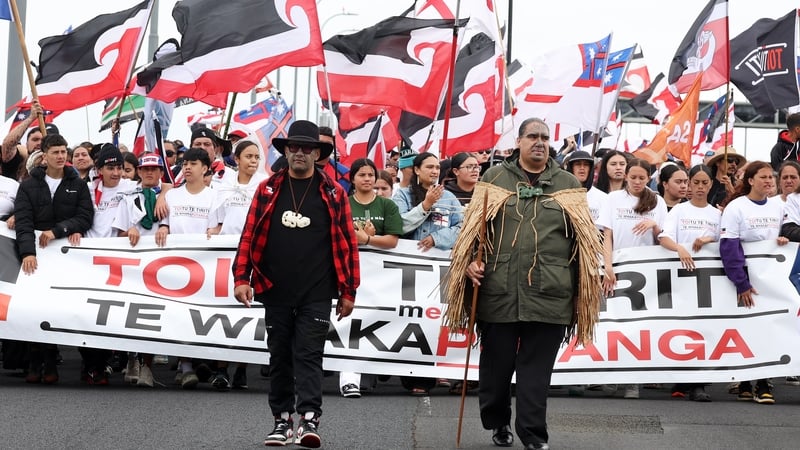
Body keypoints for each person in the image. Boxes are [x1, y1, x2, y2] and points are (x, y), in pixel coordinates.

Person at [452, 118, 601, 450]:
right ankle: (498, 421)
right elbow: (472, 234)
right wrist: (470, 264)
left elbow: (584, 245)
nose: (540, 142)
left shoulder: (567, 184)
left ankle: (534, 435)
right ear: (518, 141)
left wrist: (581, 292)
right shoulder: (494, 178)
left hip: (551, 292)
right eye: (532, 136)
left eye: (545, 138)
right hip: (498, 290)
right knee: (496, 368)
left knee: (535, 373)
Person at [232, 120, 359, 448]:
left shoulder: (334, 193)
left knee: (308, 353)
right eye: (294, 147)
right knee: (279, 355)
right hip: (274, 288)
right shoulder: (268, 189)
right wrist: (240, 278)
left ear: (318, 154)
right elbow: (249, 235)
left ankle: (309, 418)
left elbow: (347, 242)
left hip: (317, 289)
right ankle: (282, 420)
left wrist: (349, 290)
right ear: (286, 151)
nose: (300, 153)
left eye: (307, 148)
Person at [14, 133, 93, 384]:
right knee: (33, 308)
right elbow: (23, 222)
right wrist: (28, 252)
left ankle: (52, 360)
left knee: (57, 308)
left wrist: (58, 231)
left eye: (63, 152)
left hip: (65, 258)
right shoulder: (28, 185)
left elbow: (85, 217)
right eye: (55, 152)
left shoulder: (78, 184)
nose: (61, 157)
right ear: (44, 156)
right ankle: (35, 360)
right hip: (36, 257)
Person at [598, 158, 667, 400]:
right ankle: (612, 376)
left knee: (639, 328)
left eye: (642, 178)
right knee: (613, 324)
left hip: (644, 271)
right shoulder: (613, 199)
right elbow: (607, 234)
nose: (637, 182)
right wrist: (608, 267)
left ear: (649, 178)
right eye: (633, 177)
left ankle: (633, 381)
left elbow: (664, 238)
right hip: (616, 266)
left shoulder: (656, 201)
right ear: (626, 176)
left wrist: (654, 224)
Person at [721, 161, 786, 404]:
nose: (770, 181)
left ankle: (763, 382)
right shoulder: (736, 208)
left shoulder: (779, 207)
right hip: (746, 281)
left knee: (769, 329)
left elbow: (786, 236)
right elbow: (729, 247)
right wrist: (741, 282)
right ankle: (747, 381)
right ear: (750, 181)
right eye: (764, 177)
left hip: (773, 281)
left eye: (772, 177)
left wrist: (783, 239)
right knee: (747, 329)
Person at [207, 140, 267, 391]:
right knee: (224, 310)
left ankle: (242, 367)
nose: (253, 161)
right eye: (249, 156)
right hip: (226, 253)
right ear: (237, 159)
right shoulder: (223, 186)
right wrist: (211, 232)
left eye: (256, 157)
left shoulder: (264, 186)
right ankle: (221, 369)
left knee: (247, 311)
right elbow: (215, 219)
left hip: (253, 253)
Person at [339, 158, 401, 399]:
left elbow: (393, 240)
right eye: (361, 174)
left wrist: (367, 240)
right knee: (348, 322)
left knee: (375, 322)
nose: (367, 179)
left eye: (370, 175)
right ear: (352, 178)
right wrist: (354, 237)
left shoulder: (387, 206)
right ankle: (348, 378)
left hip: (380, 277)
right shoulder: (342, 204)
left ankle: (371, 372)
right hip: (347, 271)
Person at [658, 164, 720, 402]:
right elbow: (664, 237)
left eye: (705, 183)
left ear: (711, 185)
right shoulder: (679, 211)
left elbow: (725, 239)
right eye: (696, 183)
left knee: (703, 328)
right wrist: (680, 248)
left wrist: (708, 238)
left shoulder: (717, 215)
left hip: (708, 282)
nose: (700, 187)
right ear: (690, 184)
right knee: (682, 327)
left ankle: (698, 384)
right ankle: (682, 379)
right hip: (681, 278)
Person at [155, 147, 216, 389]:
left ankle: (193, 361)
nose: (187, 167)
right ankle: (186, 364)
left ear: (205, 168)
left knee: (200, 315)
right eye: (185, 163)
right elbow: (165, 224)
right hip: (176, 264)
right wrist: (163, 228)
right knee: (178, 313)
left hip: (205, 265)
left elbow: (215, 230)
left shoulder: (214, 196)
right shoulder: (172, 196)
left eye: (193, 163)